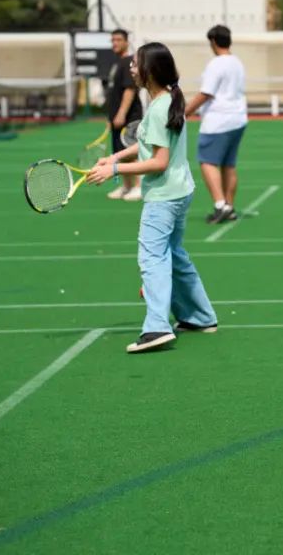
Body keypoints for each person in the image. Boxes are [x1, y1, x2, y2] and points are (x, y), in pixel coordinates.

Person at [87, 43, 218, 353]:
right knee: (173, 254)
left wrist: (115, 169)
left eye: (135, 64)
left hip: (164, 196)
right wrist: (115, 156)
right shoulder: (166, 100)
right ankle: (200, 316)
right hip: (180, 191)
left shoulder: (161, 107)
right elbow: (146, 142)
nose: (131, 68)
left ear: (150, 71)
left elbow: (158, 161)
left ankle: (157, 327)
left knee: (152, 259)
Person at [185, 25, 247, 224]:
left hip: (218, 120)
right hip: (238, 118)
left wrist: (184, 112)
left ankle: (220, 205)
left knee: (207, 161)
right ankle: (229, 205)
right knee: (229, 164)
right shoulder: (237, 62)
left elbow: (206, 93)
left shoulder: (216, 64)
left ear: (213, 42)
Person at [104, 29, 143, 201]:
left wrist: (121, 114)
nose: (115, 43)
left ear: (127, 42)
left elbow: (130, 89)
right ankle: (127, 186)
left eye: (118, 40)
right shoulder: (117, 63)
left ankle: (139, 186)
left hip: (129, 117)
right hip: (117, 119)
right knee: (120, 152)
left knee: (130, 152)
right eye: (112, 40)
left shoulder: (129, 62)